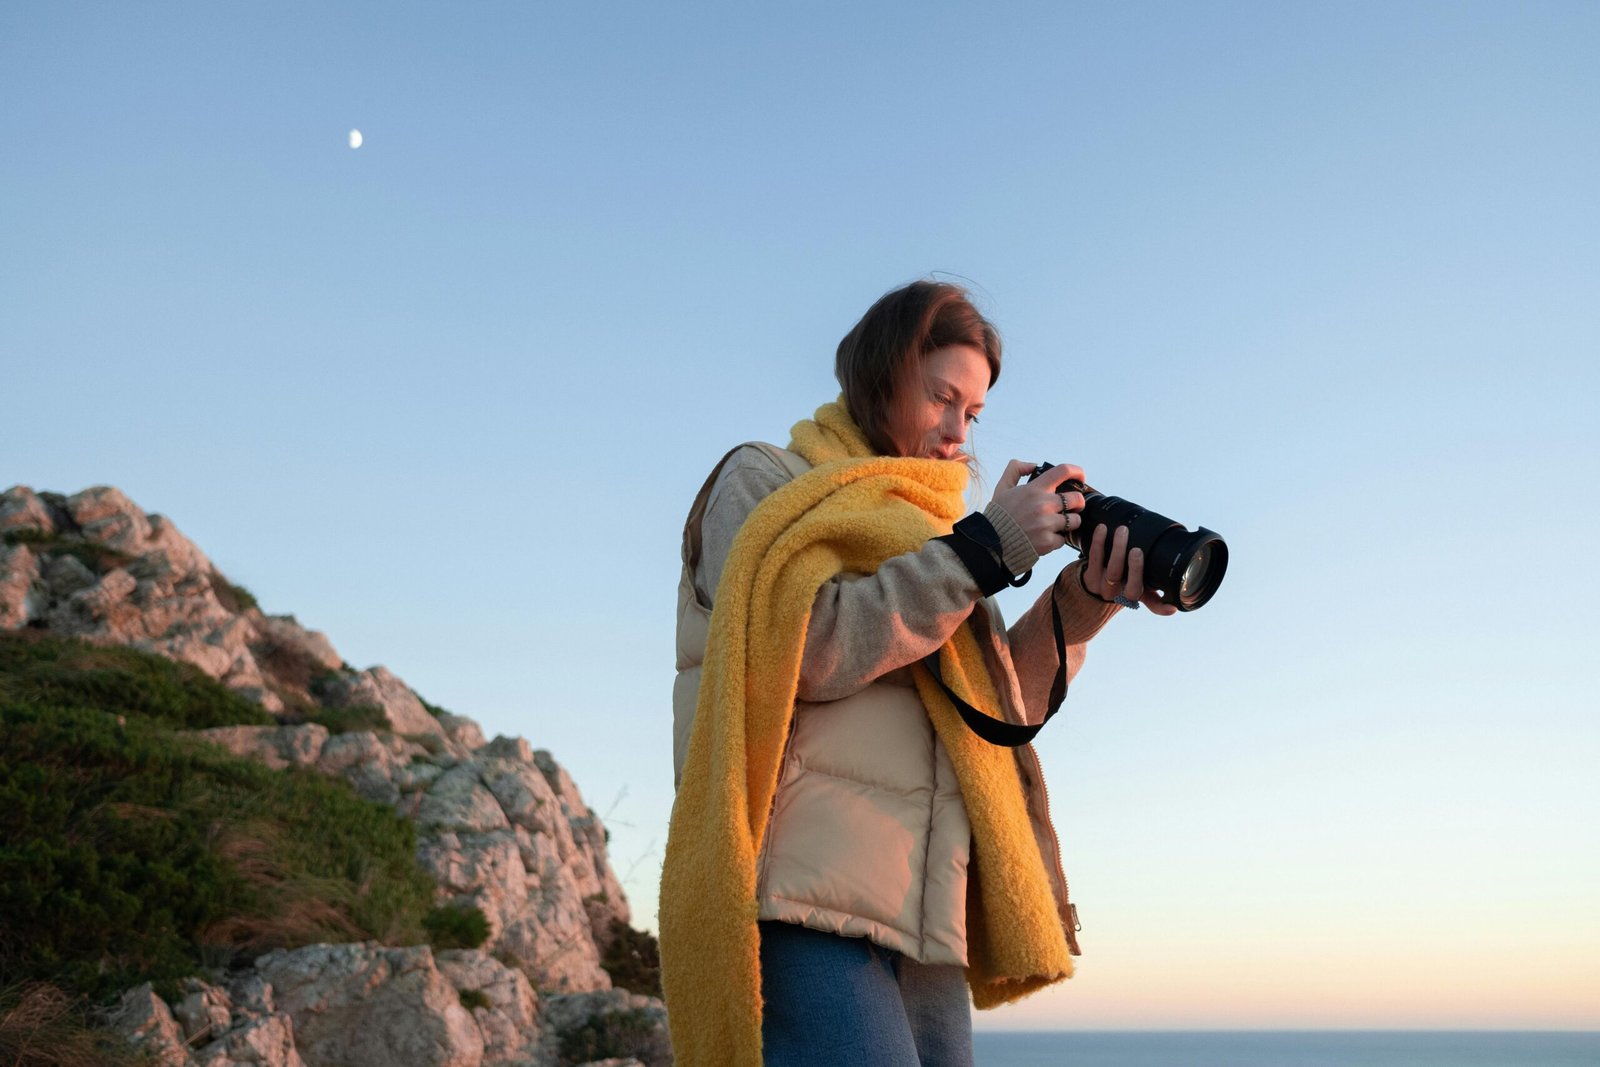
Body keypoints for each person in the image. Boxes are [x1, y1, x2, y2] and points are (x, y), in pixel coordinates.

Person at [659, 280, 1176, 1067]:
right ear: (882, 375)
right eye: (942, 398)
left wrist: (1086, 596)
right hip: (803, 893)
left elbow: (998, 712)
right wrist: (982, 550)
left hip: (924, 907)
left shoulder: (940, 539)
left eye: (972, 414)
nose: (956, 431)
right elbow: (803, 651)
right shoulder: (765, 480)